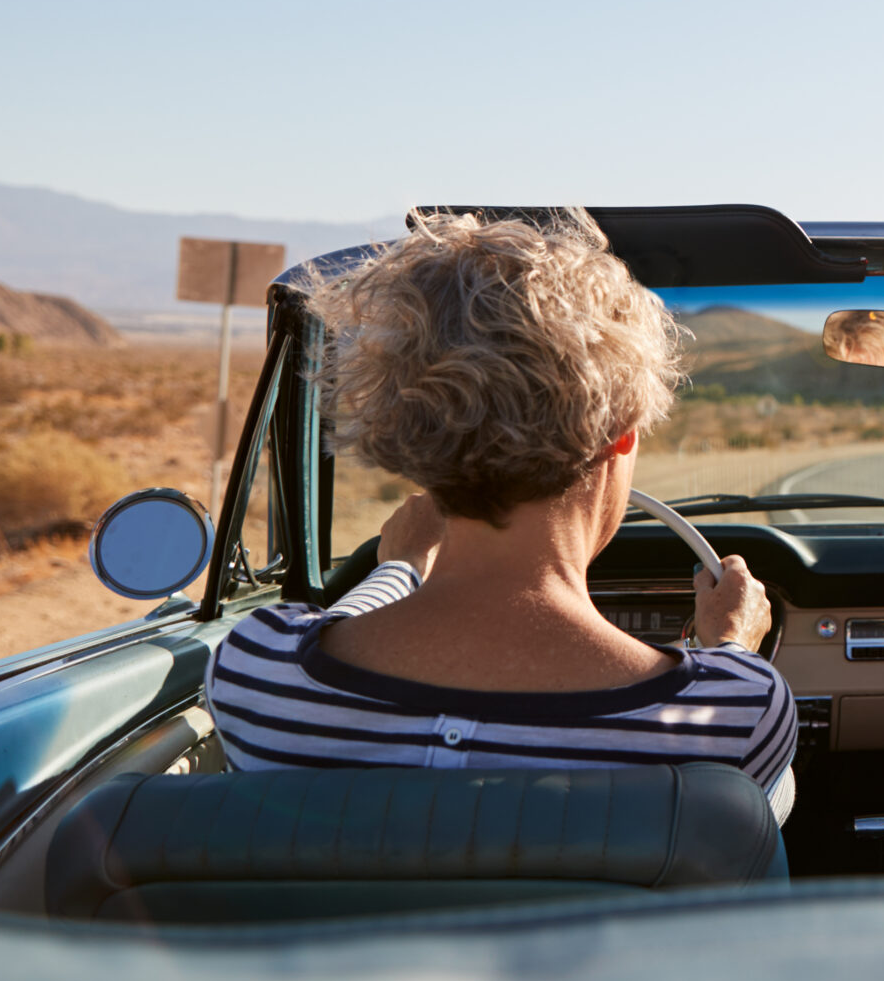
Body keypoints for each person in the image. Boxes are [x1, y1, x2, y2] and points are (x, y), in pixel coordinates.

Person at [204, 209, 797, 813]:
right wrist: (730, 648)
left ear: (408, 425)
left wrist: (399, 569)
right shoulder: (734, 711)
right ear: (621, 431)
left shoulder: (258, 672)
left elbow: (321, 633)